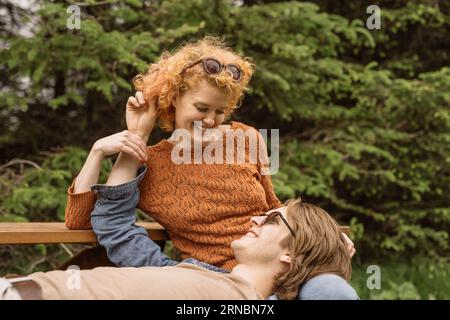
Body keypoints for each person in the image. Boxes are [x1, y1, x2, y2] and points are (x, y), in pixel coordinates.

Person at [64, 36, 357, 298]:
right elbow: (84, 220)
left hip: (281, 273)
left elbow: (273, 209)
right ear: (174, 98)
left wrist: (322, 239)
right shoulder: (151, 162)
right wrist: (126, 140)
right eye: (202, 108)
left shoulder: (246, 138)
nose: (210, 120)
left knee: (330, 289)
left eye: (220, 111)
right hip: (213, 282)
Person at [1, 191, 354, 300]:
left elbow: (330, 292)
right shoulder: (199, 276)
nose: (255, 219)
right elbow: (115, 228)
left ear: (292, 254)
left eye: (273, 219)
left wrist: (331, 260)